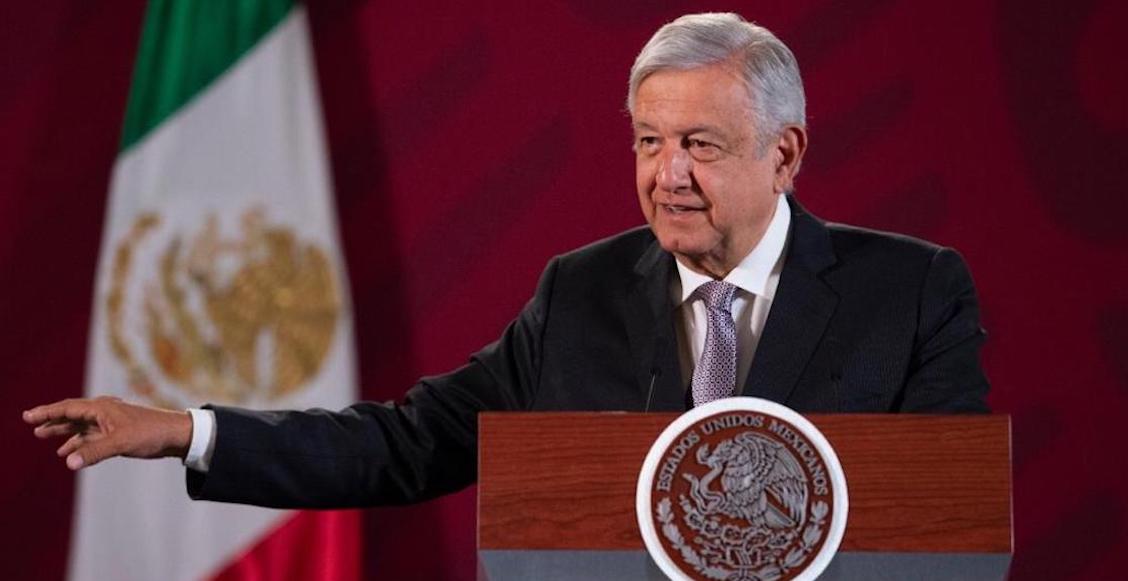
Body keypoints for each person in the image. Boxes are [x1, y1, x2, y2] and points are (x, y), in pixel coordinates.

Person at [24, 13, 989, 508]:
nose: (668, 175)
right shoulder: (581, 293)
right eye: (648, 142)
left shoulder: (910, 293)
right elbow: (406, 444)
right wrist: (185, 431)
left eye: (701, 144)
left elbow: (947, 514)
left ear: (785, 153)